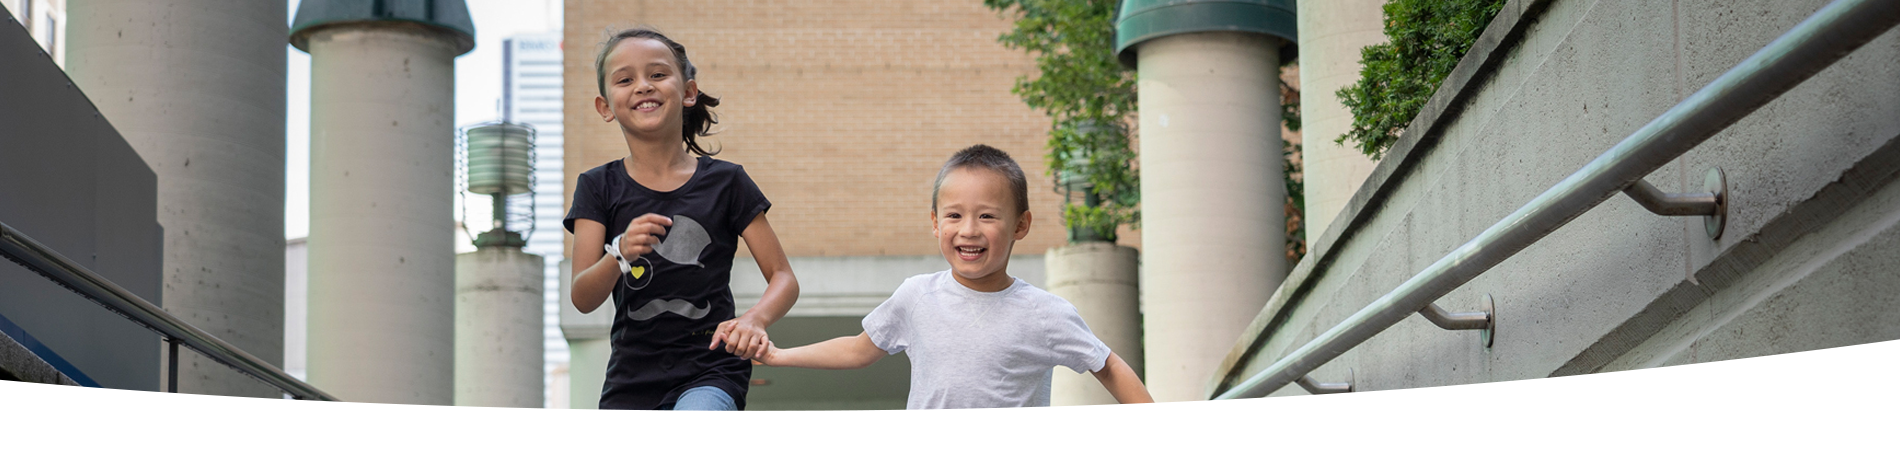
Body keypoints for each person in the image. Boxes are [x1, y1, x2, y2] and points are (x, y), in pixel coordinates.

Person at [758, 145, 1152, 409]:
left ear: (1021, 225)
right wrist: (779, 355)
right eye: (953, 215)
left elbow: (1108, 364)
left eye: (987, 215)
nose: (968, 230)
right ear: (934, 222)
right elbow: (859, 350)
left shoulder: (1044, 312)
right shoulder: (917, 296)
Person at [565, 28, 798, 411]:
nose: (643, 86)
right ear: (605, 106)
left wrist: (754, 320)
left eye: (657, 75)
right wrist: (619, 253)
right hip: (631, 378)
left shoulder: (728, 182)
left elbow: (783, 276)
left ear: (688, 92)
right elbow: (583, 297)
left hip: (711, 368)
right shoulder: (596, 186)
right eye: (625, 79)